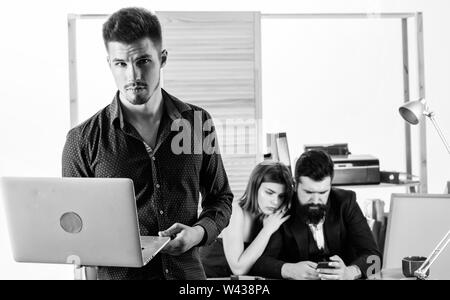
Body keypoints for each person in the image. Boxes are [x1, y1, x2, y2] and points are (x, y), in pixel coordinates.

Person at [62, 7, 233, 280]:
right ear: (109, 64)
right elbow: (77, 230)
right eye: (121, 64)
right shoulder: (81, 140)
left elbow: (220, 198)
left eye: (143, 61)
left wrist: (197, 233)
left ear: (162, 58)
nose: (132, 75)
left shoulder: (199, 123)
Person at [251, 150, 381, 280]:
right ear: (295, 185)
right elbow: (258, 263)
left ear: (331, 186)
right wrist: (289, 270)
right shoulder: (282, 206)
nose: (315, 200)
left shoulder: (346, 202)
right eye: (308, 192)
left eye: (323, 192)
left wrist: (350, 272)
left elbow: (374, 257)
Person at [200, 161, 293, 277]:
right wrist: (267, 230)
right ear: (254, 188)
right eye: (269, 193)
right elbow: (238, 269)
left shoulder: (270, 217)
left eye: (281, 196)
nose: (275, 202)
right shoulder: (235, 211)